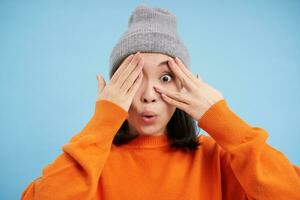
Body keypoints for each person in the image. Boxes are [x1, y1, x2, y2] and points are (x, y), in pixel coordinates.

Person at [21, 4, 300, 200]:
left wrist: (222, 119)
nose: (148, 94)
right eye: (134, 77)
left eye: (165, 78)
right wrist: (102, 121)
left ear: (186, 84)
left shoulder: (220, 159)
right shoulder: (89, 165)